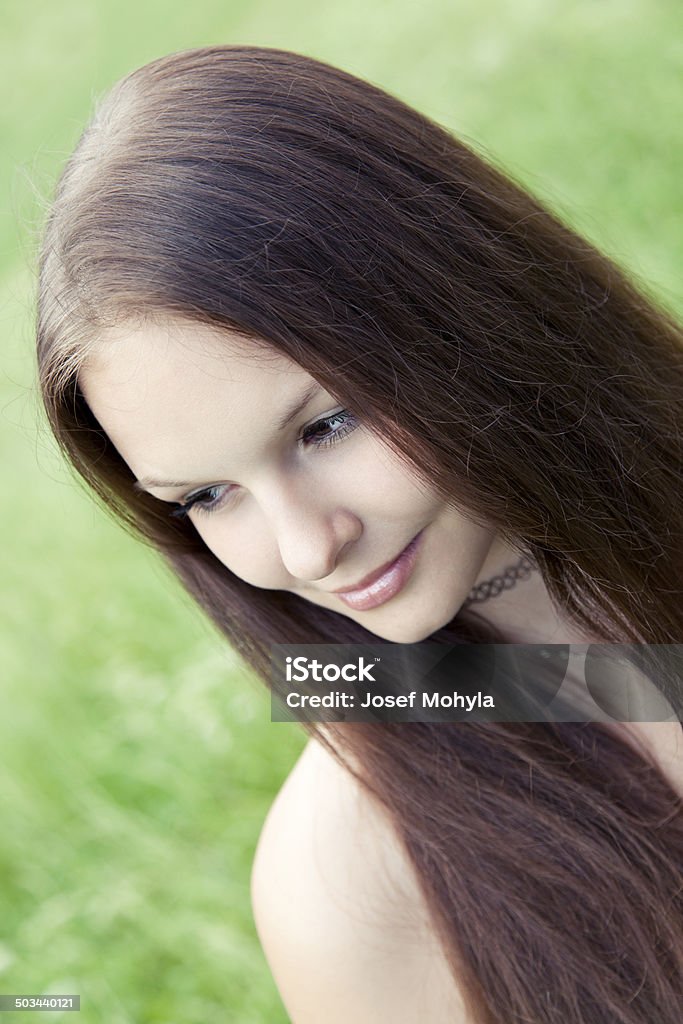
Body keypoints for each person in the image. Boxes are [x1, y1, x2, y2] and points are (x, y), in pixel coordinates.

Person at [35, 44, 683, 1023]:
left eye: (323, 426)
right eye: (207, 496)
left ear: (461, 304)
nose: (305, 549)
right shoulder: (350, 879)